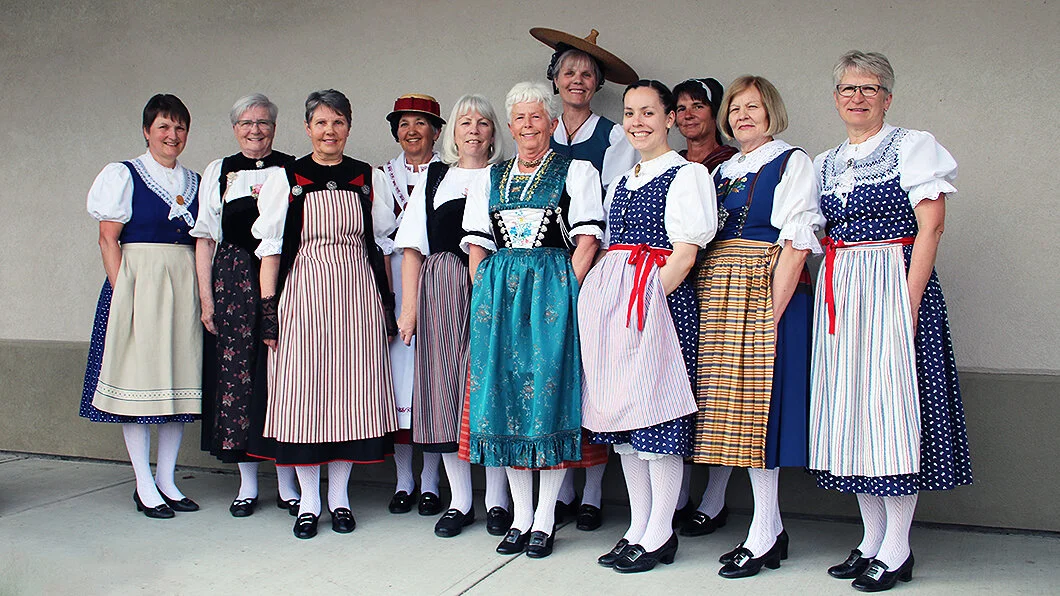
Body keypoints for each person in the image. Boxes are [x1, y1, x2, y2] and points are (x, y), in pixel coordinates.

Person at [810, 50, 972, 592]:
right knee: (855, 413)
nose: (857, 97)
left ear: (887, 98)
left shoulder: (912, 146)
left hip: (893, 286)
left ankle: (897, 547)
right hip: (843, 293)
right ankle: (870, 539)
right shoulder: (826, 162)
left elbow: (931, 227)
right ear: (836, 99)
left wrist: (908, 301)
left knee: (891, 413)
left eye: (870, 88)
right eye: (848, 88)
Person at [461, 81, 603, 558]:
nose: (527, 126)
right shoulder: (491, 177)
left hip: (551, 292)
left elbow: (587, 240)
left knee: (548, 398)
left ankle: (545, 517)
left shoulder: (576, 171)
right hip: (500, 297)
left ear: (552, 122)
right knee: (503, 399)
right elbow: (477, 241)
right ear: (510, 125)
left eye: (536, 117)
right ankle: (521, 516)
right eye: (520, 118)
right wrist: (485, 288)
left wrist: (565, 291)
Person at [580, 80, 716, 573]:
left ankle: (660, 533)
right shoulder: (623, 180)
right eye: (630, 113)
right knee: (625, 421)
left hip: (655, 307)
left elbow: (684, 255)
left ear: (670, 119)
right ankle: (638, 526)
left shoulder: (687, 175)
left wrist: (646, 305)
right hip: (616, 308)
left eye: (649, 112)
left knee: (657, 418)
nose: (638, 122)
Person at [692, 75, 825, 579]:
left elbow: (796, 243)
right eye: (735, 108)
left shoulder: (791, 162)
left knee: (758, 415)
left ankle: (764, 533)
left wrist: (770, 312)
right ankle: (769, 528)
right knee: (732, 414)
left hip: (763, 290)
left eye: (753, 107)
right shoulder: (723, 169)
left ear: (772, 111)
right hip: (720, 294)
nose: (743, 115)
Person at [252, 89, 399, 539]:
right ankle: (309, 502)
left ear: (349, 127)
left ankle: (339, 498)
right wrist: (269, 311)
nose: (329, 131)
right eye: (321, 122)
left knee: (349, 398)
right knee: (304, 397)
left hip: (357, 300)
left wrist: (388, 303)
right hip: (304, 299)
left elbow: (381, 246)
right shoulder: (287, 178)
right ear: (307, 128)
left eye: (338, 122)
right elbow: (271, 251)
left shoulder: (367, 178)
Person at [530, 26, 639, 531]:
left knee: (590, 373)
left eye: (587, 74)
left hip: (592, 264)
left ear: (598, 84)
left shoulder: (612, 136)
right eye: (569, 72)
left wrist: (592, 267)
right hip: (543, 269)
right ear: (554, 80)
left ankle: (592, 490)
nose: (577, 80)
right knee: (553, 373)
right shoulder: (540, 132)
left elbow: (615, 204)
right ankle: (563, 488)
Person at [393, 94, 511, 537]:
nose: (474, 130)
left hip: (495, 288)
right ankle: (460, 500)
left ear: (494, 133)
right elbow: (412, 248)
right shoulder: (435, 177)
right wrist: (409, 310)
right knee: (444, 391)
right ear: (452, 133)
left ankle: (497, 499)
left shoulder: (507, 176)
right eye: (465, 122)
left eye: (483, 122)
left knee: (490, 387)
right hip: (441, 288)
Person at [80, 93, 203, 519]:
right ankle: (144, 484)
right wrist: (125, 293)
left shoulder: (195, 181)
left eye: (180, 127)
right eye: (164, 126)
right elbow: (107, 238)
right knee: (139, 385)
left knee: (176, 383)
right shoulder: (125, 174)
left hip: (183, 286)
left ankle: (167, 479)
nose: (173, 135)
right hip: (139, 283)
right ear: (147, 131)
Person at [191, 93, 300, 517]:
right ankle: (248, 484)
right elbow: (206, 239)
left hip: (283, 278)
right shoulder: (219, 171)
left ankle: (288, 484)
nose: (256, 130)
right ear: (235, 128)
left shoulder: (293, 168)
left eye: (263, 122)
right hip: (234, 282)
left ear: (275, 127)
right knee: (237, 379)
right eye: (246, 123)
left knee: (283, 376)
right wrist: (207, 299)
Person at [671, 76, 739, 532]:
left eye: (698, 105)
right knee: (679, 389)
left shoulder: (733, 163)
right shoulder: (672, 165)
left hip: (722, 285)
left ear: (715, 112)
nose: (689, 114)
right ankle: (675, 495)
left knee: (717, 391)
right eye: (681, 107)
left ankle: (714, 498)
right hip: (678, 285)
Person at [380, 93, 445, 517]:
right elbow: (378, 234)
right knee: (400, 379)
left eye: (421, 123)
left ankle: (432, 481)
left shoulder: (449, 172)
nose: (412, 131)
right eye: (404, 123)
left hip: (439, 280)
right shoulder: (381, 176)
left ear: (436, 131)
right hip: (395, 280)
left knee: (434, 378)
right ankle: (405, 479)